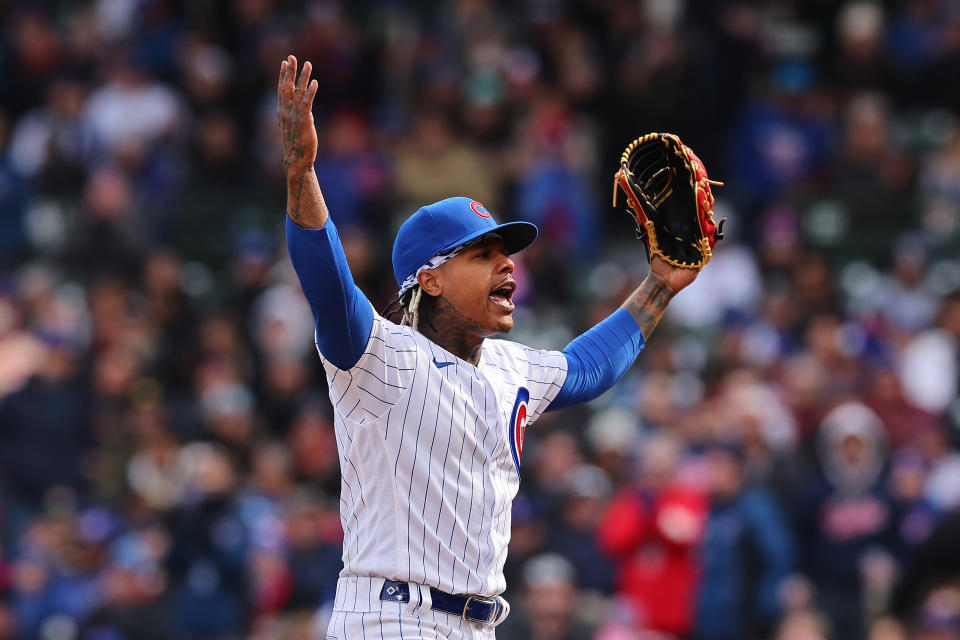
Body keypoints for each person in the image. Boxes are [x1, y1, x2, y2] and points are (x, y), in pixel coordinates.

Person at [277, 55, 703, 639]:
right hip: (388, 617)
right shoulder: (379, 357)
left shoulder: (512, 365)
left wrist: (658, 286)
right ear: (428, 279)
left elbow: (589, 368)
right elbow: (329, 287)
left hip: (478, 626)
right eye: (482, 254)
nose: (507, 264)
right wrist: (302, 178)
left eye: (507, 252)